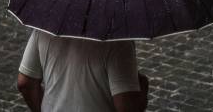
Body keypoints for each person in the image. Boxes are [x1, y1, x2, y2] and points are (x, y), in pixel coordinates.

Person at [17, 29, 148, 112]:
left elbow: (25, 83)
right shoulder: (118, 41)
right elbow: (126, 107)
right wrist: (142, 88)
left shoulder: (44, 30)